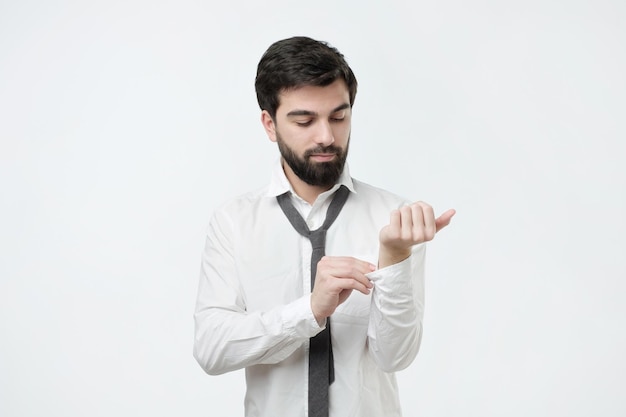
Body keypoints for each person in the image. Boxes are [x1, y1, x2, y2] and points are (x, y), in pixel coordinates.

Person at [193, 36, 455, 417]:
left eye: (339, 116)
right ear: (270, 124)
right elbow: (211, 348)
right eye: (304, 120)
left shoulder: (393, 217)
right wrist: (309, 312)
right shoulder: (234, 222)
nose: (327, 137)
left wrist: (395, 257)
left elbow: (395, 356)